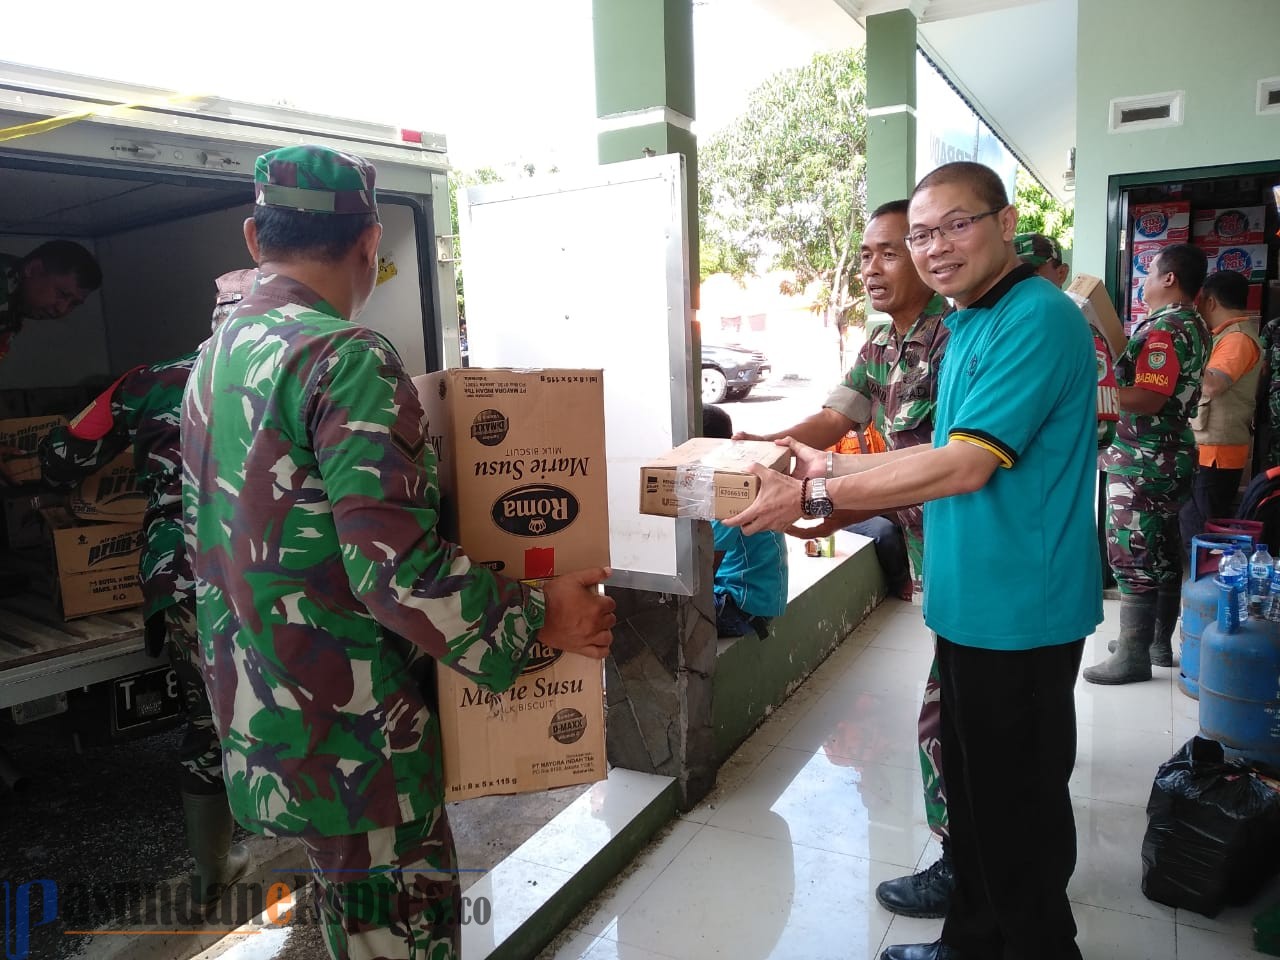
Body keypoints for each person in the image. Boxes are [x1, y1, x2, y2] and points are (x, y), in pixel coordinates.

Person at [181, 145, 616, 960]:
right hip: (358, 741)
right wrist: (542, 618)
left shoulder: (215, 357)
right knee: (401, 943)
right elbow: (396, 575)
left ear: (252, 236)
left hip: (269, 716)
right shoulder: (342, 356)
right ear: (369, 242)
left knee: (358, 926)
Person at [727, 161, 1101, 960]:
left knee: (1016, 816)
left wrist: (820, 503)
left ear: (1005, 224)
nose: (936, 247)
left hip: (1021, 613)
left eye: (955, 225)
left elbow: (964, 466)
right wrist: (819, 468)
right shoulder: (970, 321)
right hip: (968, 605)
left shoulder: (1033, 319)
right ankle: (970, 944)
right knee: (975, 800)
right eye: (922, 234)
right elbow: (929, 449)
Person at [735, 198, 956, 919]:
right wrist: (763, 446)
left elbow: (930, 468)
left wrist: (816, 498)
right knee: (959, 709)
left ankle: (966, 864)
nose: (871, 268)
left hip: (964, 541)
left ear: (924, 259)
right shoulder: (879, 343)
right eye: (865, 254)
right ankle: (980, 863)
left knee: (950, 717)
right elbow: (837, 419)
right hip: (928, 549)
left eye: (889, 251)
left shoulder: (956, 338)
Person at [38, 269, 255, 909]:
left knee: (207, 723)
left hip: (185, 575)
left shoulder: (146, 381)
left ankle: (213, 871)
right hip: (291, 573)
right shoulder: (309, 370)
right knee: (312, 705)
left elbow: (61, 455)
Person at [1086, 243, 1209, 683]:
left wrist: (1094, 396)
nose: (1145, 281)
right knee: (1159, 550)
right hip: (1166, 452)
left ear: (1169, 279)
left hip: (1146, 455)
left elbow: (1151, 397)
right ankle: (1155, 642)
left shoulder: (1165, 328)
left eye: (1150, 273)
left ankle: (1134, 655)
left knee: (1132, 550)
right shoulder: (1190, 324)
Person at [1178, 268, 1261, 548]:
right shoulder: (1224, 335)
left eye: (1200, 301)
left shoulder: (1237, 339)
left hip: (1217, 451)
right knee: (1193, 519)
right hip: (1209, 446)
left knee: (1202, 528)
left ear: (1210, 301)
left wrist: (1179, 363)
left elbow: (1213, 384)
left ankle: (1203, 587)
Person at [1015, 231, 1119, 450]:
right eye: (1013, 273)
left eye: (1031, 272)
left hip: (1049, 471)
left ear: (1062, 273)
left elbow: (1101, 430)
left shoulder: (1080, 334)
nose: (1019, 282)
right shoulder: (1010, 332)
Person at [703, 404, 788, 638]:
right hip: (757, 603)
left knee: (662, 612)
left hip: (741, 608)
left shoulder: (728, 494)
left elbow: (704, 572)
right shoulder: (742, 479)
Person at [0, 240, 102, 364]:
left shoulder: (18, 304)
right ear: (33, 269)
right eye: (62, 294)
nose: (62, 309)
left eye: (74, 304)